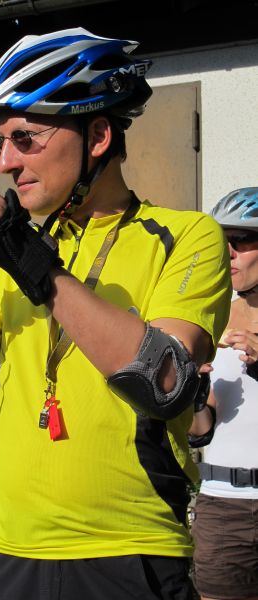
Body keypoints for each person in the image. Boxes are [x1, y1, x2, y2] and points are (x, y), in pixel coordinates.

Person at [0, 27, 232, 600]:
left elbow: (164, 383)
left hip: (127, 549)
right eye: (0, 141)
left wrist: (29, 259)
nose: (5, 162)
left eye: (24, 138)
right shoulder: (14, 254)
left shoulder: (187, 236)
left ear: (97, 135)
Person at [189, 188, 258, 600]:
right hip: (223, 507)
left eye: (241, 240)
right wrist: (194, 395)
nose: (228, 253)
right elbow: (200, 431)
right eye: (222, 241)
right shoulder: (212, 320)